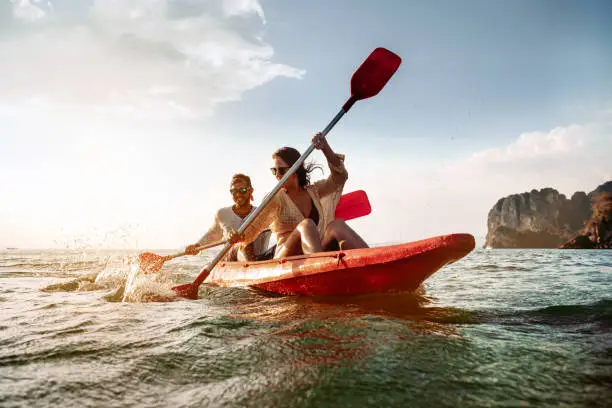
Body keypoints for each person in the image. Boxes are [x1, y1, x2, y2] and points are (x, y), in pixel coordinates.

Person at [230, 132, 368, 258]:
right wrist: (237, 235)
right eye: (274, 171)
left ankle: (370, 258)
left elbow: (340, 176)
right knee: (306, 224)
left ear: (296, 169)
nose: (277, 175)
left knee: (337, 225)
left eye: (282, 170)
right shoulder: (275, 198)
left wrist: (325, 148)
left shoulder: (314, 191)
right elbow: (254, 227)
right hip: (286, 255)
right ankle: (317, 267)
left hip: (315, 250)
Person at [184, 174, 270, 261]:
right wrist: (197, 246)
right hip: (232, 259)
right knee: (243, 243)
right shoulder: (222, 214)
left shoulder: (264, 212)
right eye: (234, 191)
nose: (238, 194)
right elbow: (212, 235)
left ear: (251, 191)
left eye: (243, 190)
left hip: (260, 259)